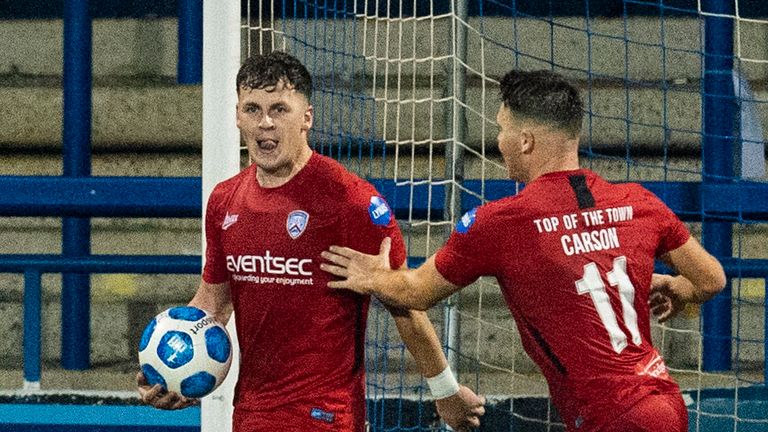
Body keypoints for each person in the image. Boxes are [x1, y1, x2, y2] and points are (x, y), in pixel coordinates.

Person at [321, 69, 727, 432]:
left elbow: (414, 293)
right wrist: (679, 288)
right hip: (665, 402)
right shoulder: (639, 201)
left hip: (611, 415)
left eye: (501, 129)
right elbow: (711, 278)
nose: (498, 141)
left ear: (526, 140)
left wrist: (374, 276)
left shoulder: (502, 222)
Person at [136, 51, 485, 431]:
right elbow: (214, 304)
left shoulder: (351, 202)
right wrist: (170, 370)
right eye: (252, 109)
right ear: (237, 115)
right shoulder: (225, 200)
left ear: (307, 118)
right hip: (252, 415)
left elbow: (405, 302)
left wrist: (445, 390)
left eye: (280, 109)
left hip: (327, 416)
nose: (265, 123)